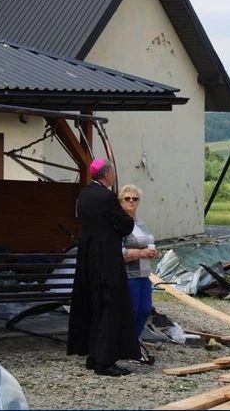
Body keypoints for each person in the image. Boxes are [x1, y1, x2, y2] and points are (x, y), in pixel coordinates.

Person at [67, 158, 140, 377]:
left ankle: (92, 355)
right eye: (113, 172)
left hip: (87, 259)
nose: (115, 176)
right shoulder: (107, 197)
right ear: (106, 174)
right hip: (106, 259)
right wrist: (126, 218)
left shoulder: (85, 194)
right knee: (109, 307)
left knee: (92, 305)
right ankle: (105, 361)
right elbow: (126, 226)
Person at [119, 184, 157, 359]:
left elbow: (146, 241)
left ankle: (131, 342)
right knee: (130, 311)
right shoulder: (120, 223)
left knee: (144, 310)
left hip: (144, 273)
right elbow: (117, 252)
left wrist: (151, 252)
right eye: (127, 198)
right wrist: (141, 253)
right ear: (120, 201)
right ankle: (125, 345)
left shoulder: (140, 221)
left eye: (135, 199)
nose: (132, 202)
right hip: (129, 275)